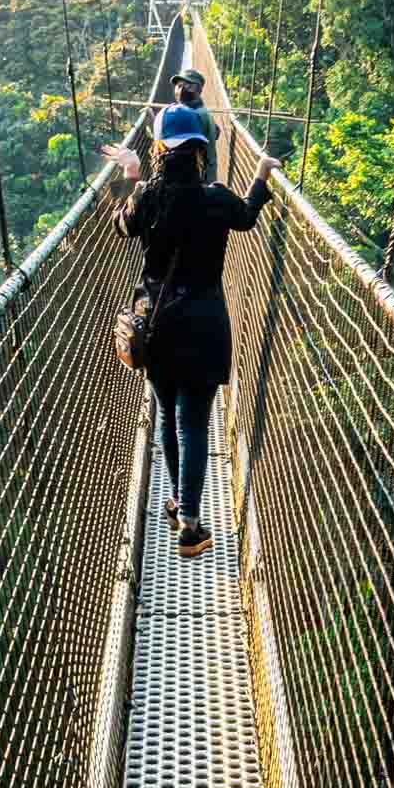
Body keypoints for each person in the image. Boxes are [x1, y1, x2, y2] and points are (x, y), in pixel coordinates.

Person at [103, 104, 280, 557]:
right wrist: (260, 173)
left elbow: (121, 226)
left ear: (161, 148)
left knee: (167, 414)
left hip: (158, 327)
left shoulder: (148, 198)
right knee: (194, 424)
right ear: (202, 150)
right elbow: (246, 216)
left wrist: (133, 174)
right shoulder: (216, 197)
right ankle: (190, 523)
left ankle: (181, 505)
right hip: (204, 325)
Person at [171, 69, 220, 183]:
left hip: (198, 182)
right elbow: (216, 132)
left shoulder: (195, 115)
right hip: (203, 178)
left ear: (198, 89)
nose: (182, 90)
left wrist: (153, 121)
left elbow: (173, 144)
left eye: (188, 86)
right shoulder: (203, 111)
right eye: (179, 86)